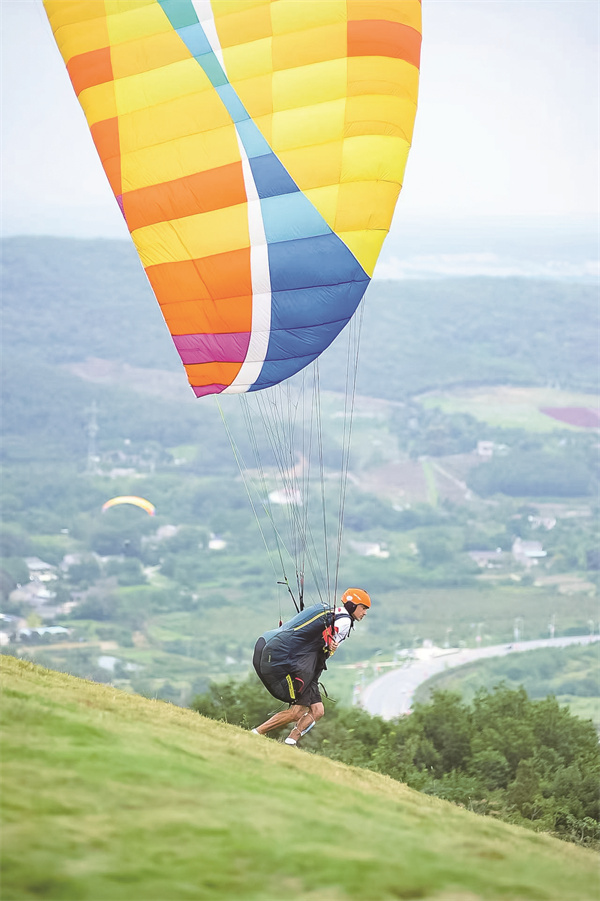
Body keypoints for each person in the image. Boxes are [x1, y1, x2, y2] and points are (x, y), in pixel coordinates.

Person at [251, 588, 371, 746]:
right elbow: (327, 641)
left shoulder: (329, 611)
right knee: (297, 712)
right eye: (363, 608)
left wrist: (328, 643)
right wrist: (330, 645)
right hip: (300, 666)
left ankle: (290, 741)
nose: (365, 613)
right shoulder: (344, 621)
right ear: (352, 605)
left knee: (318, 711)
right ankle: (256, 733)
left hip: (288, 655)